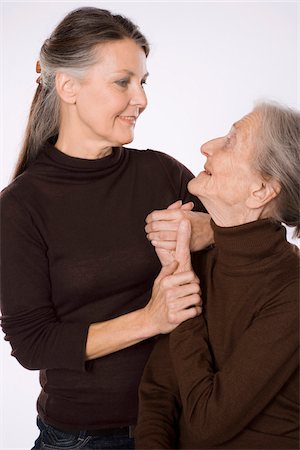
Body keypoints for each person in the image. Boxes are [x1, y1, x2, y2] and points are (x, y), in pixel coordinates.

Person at [0, 7, 212, 449]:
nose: (141, 98)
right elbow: (33, 344)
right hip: (86, 438)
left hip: (186, 423)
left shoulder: (161, 173)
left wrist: (208, 230)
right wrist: (151, 319)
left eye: (143, 82)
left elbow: (253, 245)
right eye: (123, 82)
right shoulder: (21, 207)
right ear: (68, 86)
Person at [135, 101, 300, 449]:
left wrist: (183, 295)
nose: (207, 146)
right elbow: (158, 392)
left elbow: (207, 422)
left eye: (230, 141)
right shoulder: (201, 262)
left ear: (262, 190)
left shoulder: (292, 290)